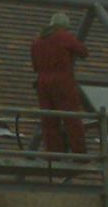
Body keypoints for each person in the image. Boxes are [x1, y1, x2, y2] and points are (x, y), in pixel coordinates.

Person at [30, 11, 89, 155]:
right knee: (71, 118)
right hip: (62, 81)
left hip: (42, 83)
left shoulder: (37, 42)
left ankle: (53, 154)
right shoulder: (64, 36)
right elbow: (83, 51)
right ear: (64, 26)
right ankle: (79, 153)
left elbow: (35, 66)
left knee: (49, 120)